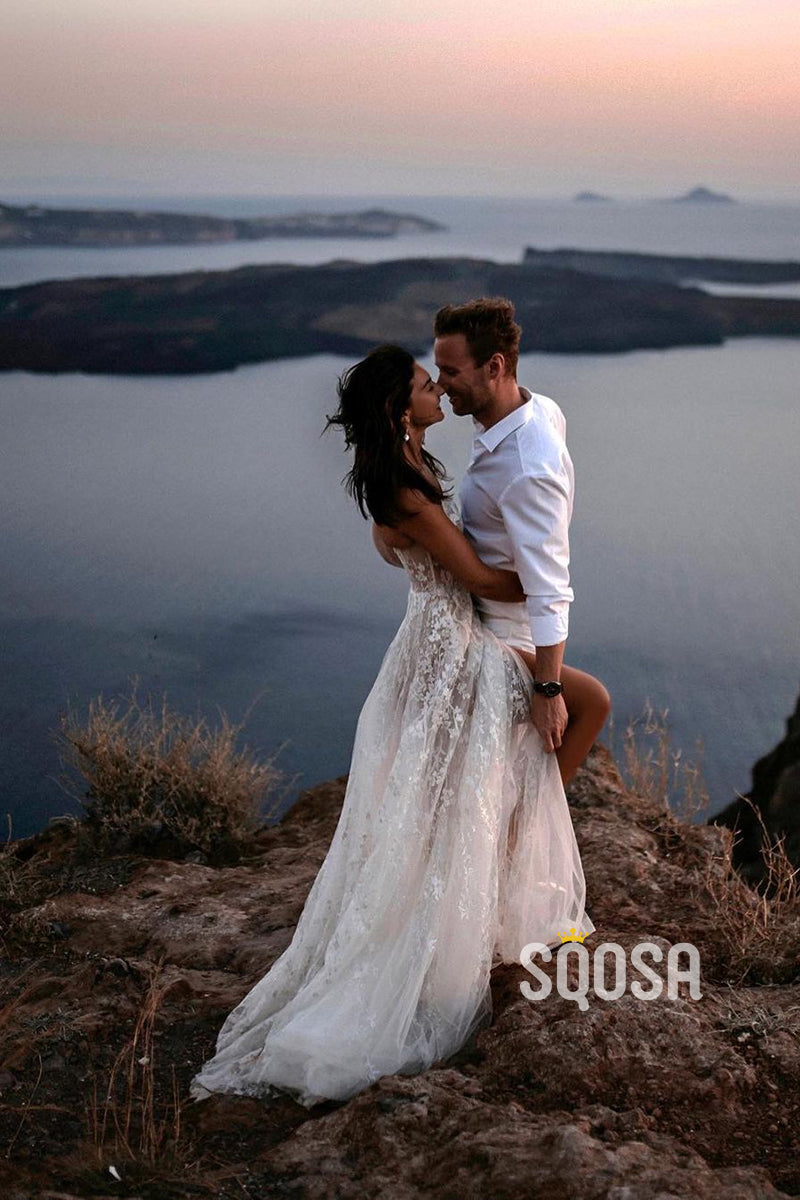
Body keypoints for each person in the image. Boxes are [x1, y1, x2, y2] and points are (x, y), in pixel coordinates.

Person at [189, 345, 596, 1111]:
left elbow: (411, 554)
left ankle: (502, 864)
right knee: (557, 723)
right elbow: (477, 577)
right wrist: (550, 579)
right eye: (423, 383)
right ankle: (495, 876)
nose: (437, 388)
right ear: (396, 407)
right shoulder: (403, 486)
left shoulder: (407, 472)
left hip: (446, 638)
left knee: (506, 758)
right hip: (450, 654)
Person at [431, 297, 611, 785]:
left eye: (451, 372)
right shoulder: (542, 410)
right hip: (478, 623)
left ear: (494, 367)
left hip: (504, 641)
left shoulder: (527, 469)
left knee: (499, 787)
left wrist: (547, 689)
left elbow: (550, 586)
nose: (440, 385)